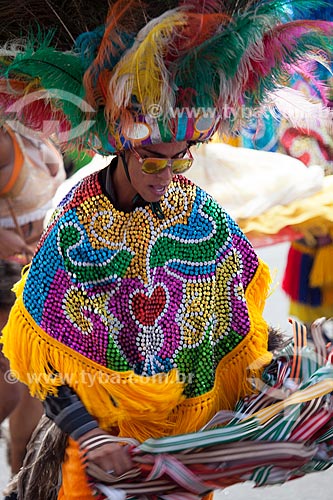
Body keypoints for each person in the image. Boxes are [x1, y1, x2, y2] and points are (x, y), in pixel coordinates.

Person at [1, 1, 333, 499]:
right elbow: (45, 363)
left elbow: (238, 322)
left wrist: (290, 368)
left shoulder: (200, 212)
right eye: (155, 163)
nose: (170, 178)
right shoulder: (76, 228)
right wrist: (91, 437)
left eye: (182, 161)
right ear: (124, 150)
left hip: (180, 459)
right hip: (101, 463)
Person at [0, 123, 66, 475]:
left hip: (35, 273)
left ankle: (20, 486)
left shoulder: (35, 131)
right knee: (11, 389)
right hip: (4, 276)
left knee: (35, 394)